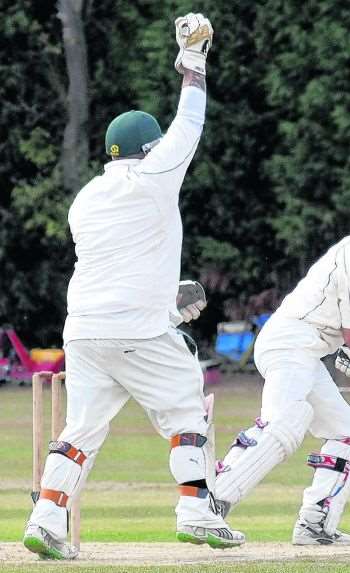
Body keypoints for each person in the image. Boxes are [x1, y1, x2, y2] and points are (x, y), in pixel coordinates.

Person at [23, 13, 245, 560]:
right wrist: (193, 60)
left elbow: (117, 267)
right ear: (149, 147)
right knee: (187, 410)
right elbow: (190, 120)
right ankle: (196, 511)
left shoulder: (86, 199)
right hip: (135, 330)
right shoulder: (155, 173)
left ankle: (46, 520)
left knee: (82, 429)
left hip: (86, 331)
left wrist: (168, 304)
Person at [215, 195, 350, 545]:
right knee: (284, 422)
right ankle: (210, 505)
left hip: (306, 350)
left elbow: (345, 328)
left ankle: (315, 524)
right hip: (291, 342)